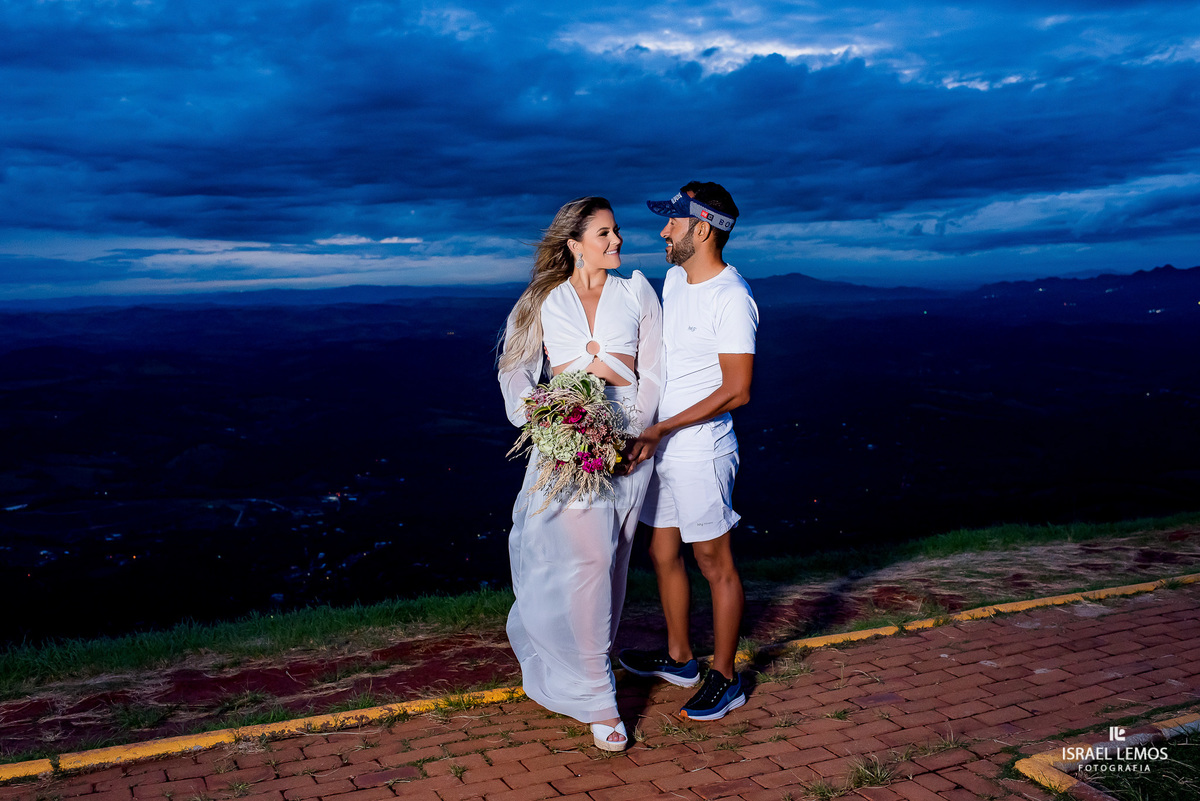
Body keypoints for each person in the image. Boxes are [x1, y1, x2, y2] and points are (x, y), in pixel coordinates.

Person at [498, 197, 663, 750]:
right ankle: (599, 698)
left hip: (628, 444)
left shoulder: (638, 291)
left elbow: (654, 370)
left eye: (617, 231)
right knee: (588, 558)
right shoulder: (541, 300)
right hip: (567, 444)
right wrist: (547, 420)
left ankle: (592, 658)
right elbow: (516, 371)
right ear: (573, 243)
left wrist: (641, 434)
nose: (617, 241)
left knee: (611, 560)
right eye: (604, 233)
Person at [619, 181, 758, 721]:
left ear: (702, 229)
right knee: (661, 553)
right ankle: (680, 658)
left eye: (672, 223)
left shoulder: (732, 296)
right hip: (664, 447)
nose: (662, 232)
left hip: (701, 450)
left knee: (712, 562)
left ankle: (726, 677)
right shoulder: (674, 278)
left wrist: (661, 430)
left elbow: (737, 389)